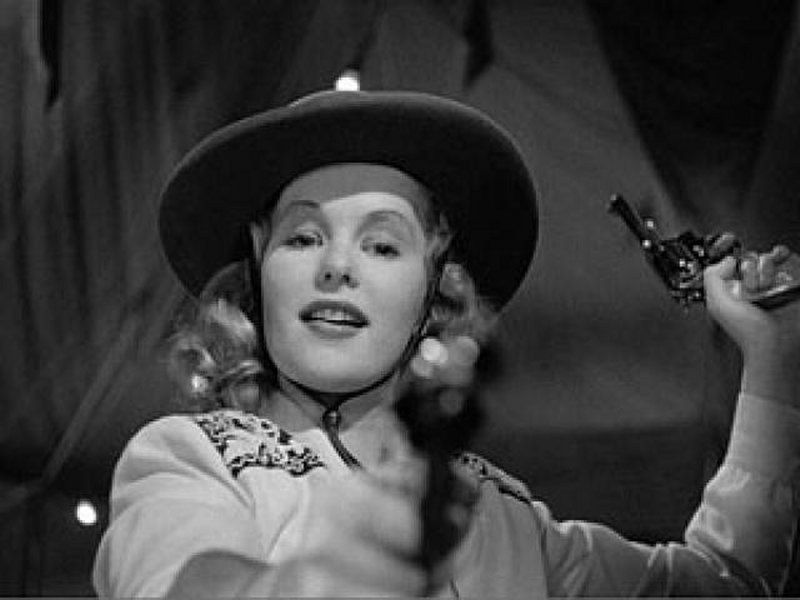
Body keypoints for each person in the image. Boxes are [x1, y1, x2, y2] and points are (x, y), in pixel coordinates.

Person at [93, 90, 799, 597]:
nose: (335, 266)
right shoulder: (188, 457)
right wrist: (327, 579)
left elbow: (725, 583)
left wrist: (774, 356)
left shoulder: (505, 515)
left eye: (382, 245)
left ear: (437, 290)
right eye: (302, 237)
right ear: (258, 264)